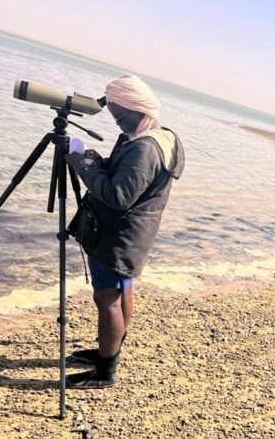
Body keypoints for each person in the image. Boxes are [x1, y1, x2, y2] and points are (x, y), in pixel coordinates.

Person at [63, 75, 185, 389]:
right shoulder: (156, 137)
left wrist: (82, 165)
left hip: (118, 238)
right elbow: (123, 175)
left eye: (120, 116)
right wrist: (93, 160)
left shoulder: (145, 148)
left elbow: (118, 196)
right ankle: (110, 351)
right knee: (121, 293)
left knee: (107, 298)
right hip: (131, 235)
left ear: (137, 108)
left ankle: (105, 371)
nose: (117, 122)